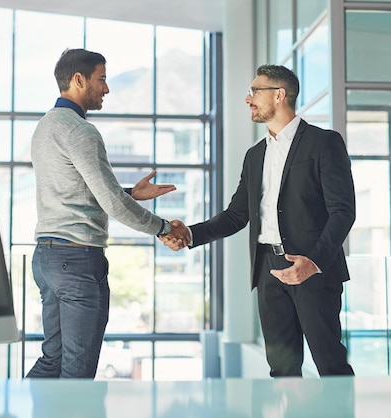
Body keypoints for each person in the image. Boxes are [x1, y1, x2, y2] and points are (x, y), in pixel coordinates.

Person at [161, 64, 356, 377]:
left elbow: (343, 211)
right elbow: (236, 216)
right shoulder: (255, 155)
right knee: (281, 370)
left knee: (330, 365)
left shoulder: (323, 143)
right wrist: (189, 234)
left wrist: (313, 262)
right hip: (268, 271)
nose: (247, 99)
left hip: (313, 271)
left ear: (279, 95)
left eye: (255, 91)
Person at [26, 48, 183, 379]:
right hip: (78, 261)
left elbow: (75, 191)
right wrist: (163, 228)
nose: (107, 89)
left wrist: (128, 192)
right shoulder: (81, 131)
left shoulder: (45, 126)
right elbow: (110, 203)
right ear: (79, 79)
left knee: (52, 360)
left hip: (46, 258)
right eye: (102, 80)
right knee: (78, 373)